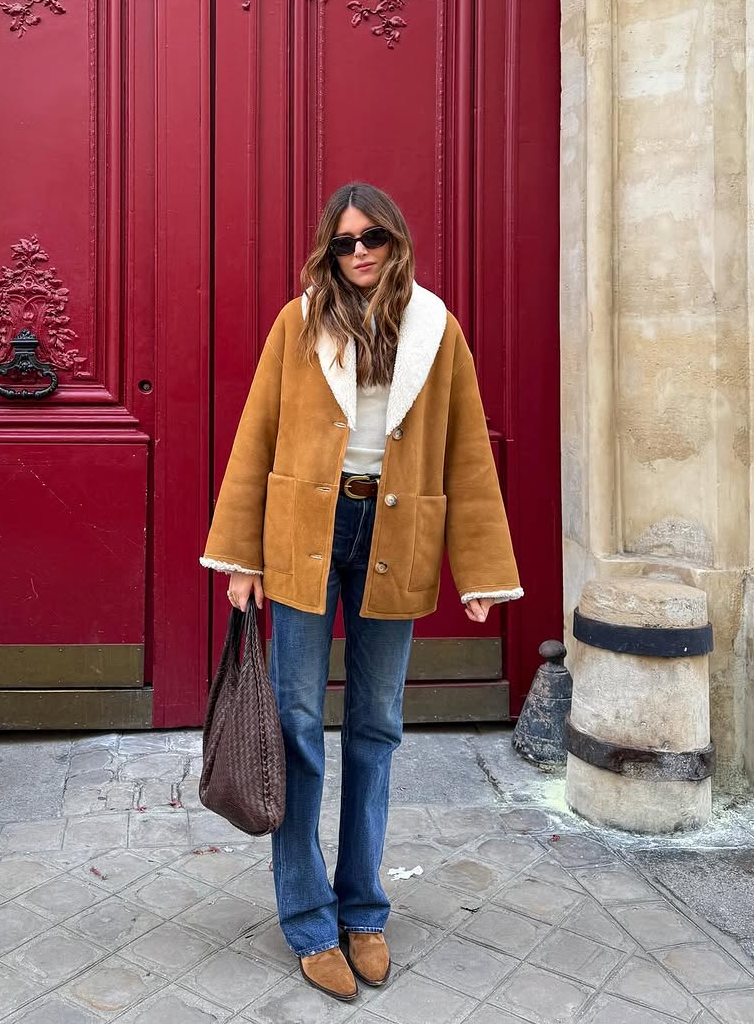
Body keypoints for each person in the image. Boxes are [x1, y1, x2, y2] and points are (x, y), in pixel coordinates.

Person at [200, 182, 523, 1003]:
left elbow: (465, 454)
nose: (360, 254)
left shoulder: (435, 331)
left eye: (372, 237)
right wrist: (242, 558)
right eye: (344, 243)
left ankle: (364, 910)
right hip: (306, 537)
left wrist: (481, 569)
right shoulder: (298, 322)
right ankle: (308, 917)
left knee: (376, 727)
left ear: (396, 239)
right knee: (300, 723)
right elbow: (256, 434)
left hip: (394, 538)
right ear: (328, 251)